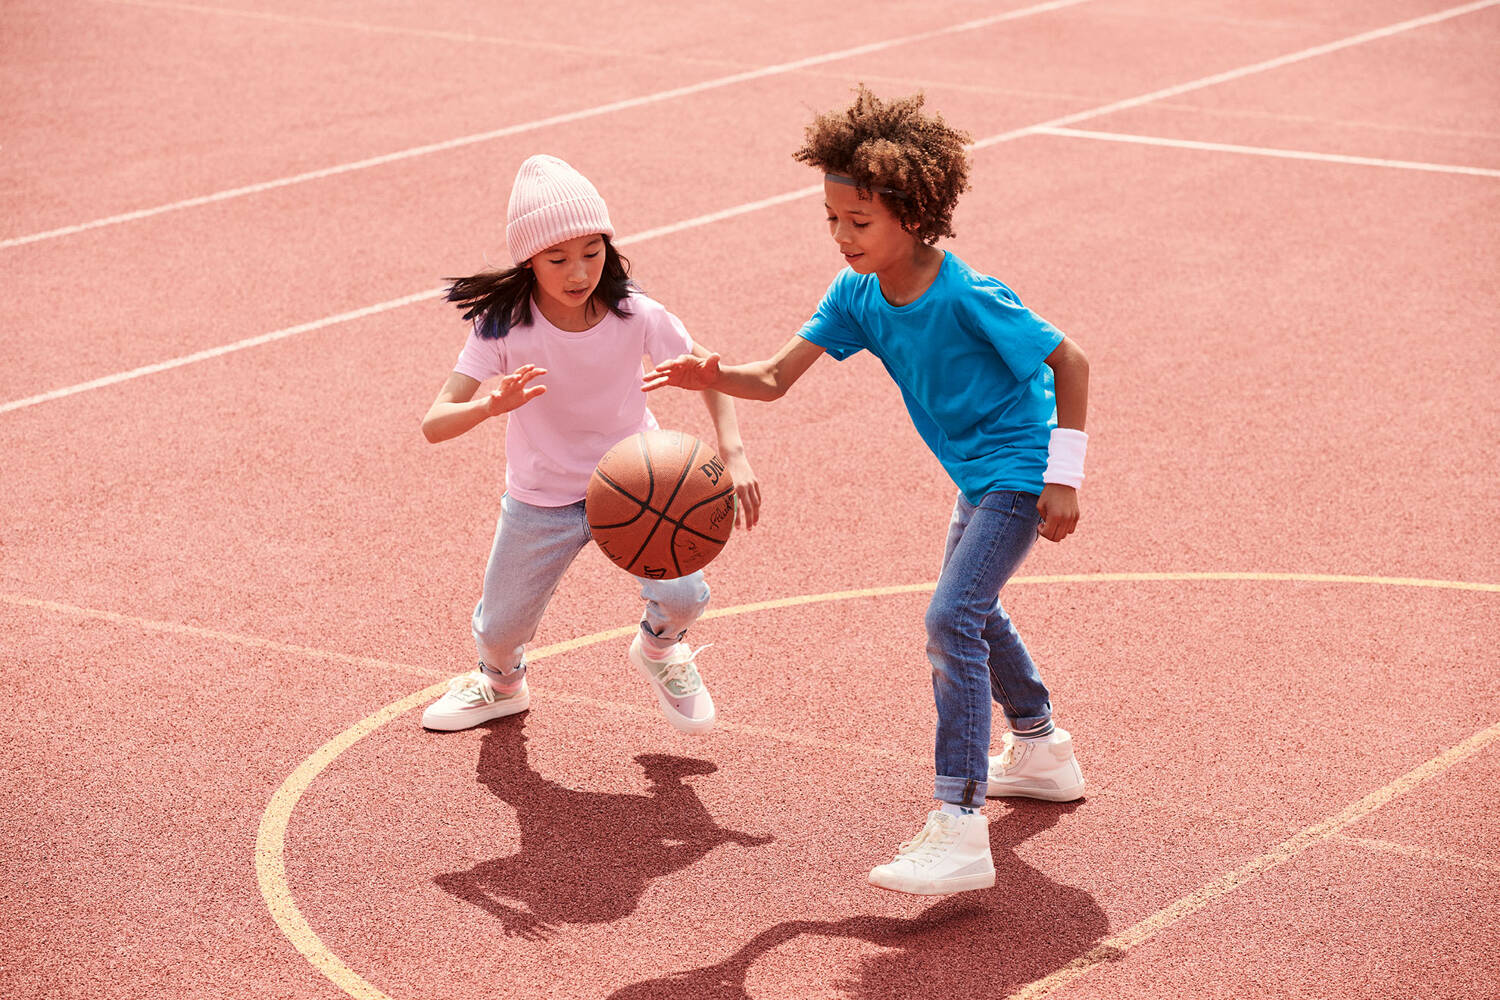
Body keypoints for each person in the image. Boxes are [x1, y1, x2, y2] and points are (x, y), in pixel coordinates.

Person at [644, 87, 1089, 895]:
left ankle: (959, 822)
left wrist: (1066, 476)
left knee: (951, 616)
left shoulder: (967, 294)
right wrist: (713, 375)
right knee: (974, 611)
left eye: (859, 221)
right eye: (832, 220)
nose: (843, 237)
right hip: (976, 476)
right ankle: (1042, 748)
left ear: (914, 216)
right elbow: (775, 378)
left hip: (1020, 474)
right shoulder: (856, 295)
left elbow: (1072, 362)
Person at [421, 153, 760, 735]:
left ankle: (660, 650)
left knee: (684, 596)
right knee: (500, 630)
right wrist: (489, 406)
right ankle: (502, 685)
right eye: (558, 258)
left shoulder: (636, 313)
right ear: (529, 258)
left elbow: (710, 374)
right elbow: (435, 421)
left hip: (635, 481)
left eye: (592, 252)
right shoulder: (502, 326)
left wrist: (734, 454)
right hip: (542, 495)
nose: (578, 272)